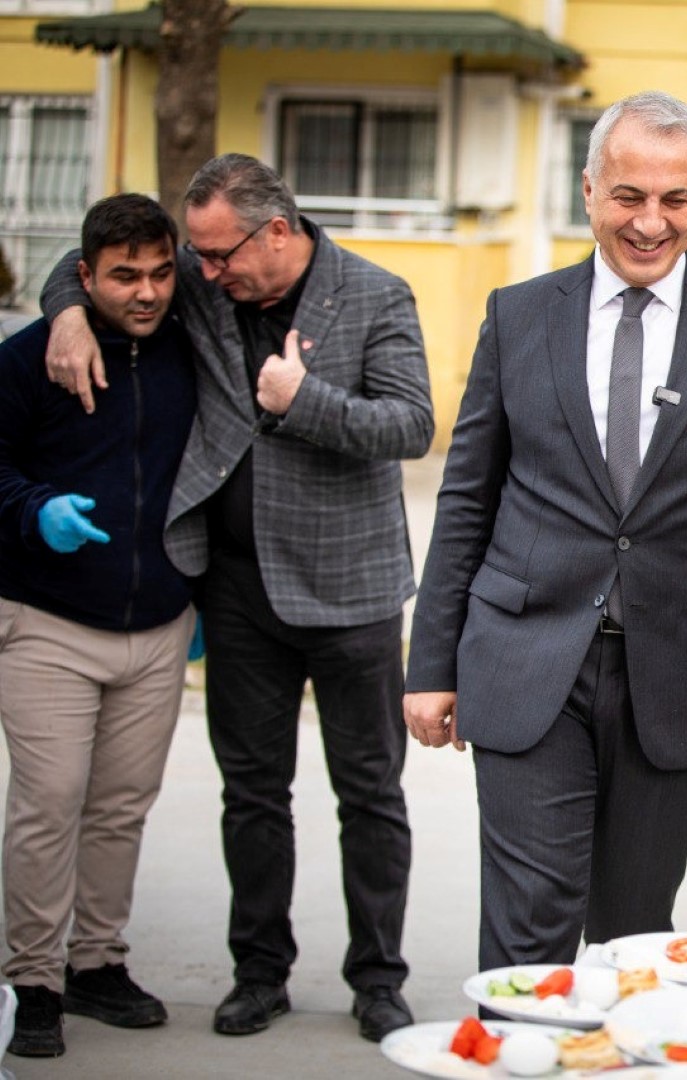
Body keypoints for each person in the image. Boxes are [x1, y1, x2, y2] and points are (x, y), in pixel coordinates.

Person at [403, 91, 687, 970]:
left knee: (633, 936)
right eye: (629, 196)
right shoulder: (518, 317)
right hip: (523, 660)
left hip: (673, 676)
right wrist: (431, 663)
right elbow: (467, 499)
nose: (649, 223)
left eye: (674, 200)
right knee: (529, 926)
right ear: (588, 190)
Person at [41, 154, 434, 1042]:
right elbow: (81, 264)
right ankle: (259, 972)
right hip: (237, 584)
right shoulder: (205, 277)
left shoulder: (377, 294)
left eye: (218, 257)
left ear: (279, 232)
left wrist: (306, 400)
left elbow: (411, 426)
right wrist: (67, 314)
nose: (201, 275)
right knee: (252, 796)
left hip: (352, 590)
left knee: (369, 793)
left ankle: (379, 979)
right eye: (200, 257)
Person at [0, 194, 195, 1059]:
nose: (147, 293)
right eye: (124, 277)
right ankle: (31, 978)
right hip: (47, 620)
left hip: (158, 625)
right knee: (48, 804)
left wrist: (198, 604)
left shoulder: (193, 348)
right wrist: (36, 508)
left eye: (160, 273)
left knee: (120, 809)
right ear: (84, 277)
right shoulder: (30, 358)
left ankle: (96, 963)